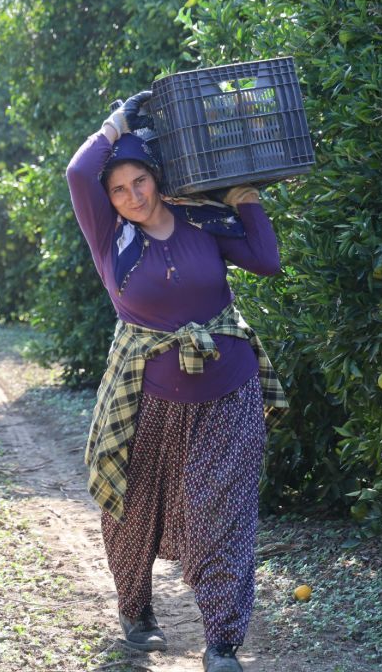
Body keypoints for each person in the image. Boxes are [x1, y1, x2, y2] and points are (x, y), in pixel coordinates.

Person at [66, 91, 287, 672]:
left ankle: (221, 642)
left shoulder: (202, 223)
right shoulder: (110, 240)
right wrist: (117, 124)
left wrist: (247, 200)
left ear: (158, 180)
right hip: (147, 398)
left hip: (229, 390)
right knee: (131, 507)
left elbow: (265, 260)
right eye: (119, 189)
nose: (131, 195)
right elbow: (78, 170)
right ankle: (136, 611)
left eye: (140, 181)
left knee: (218, 508)